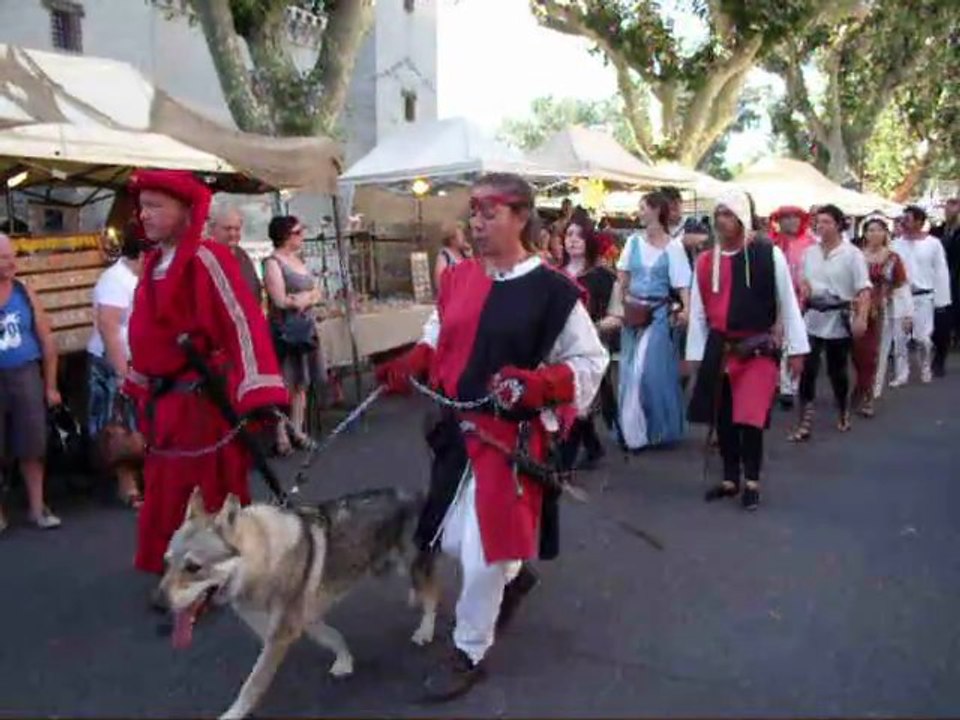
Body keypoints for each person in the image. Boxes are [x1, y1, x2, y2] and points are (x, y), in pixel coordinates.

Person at [374, 173, 608, 701]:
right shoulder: (457, 278)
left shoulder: (553, 291)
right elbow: (442, 327)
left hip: (510, 441)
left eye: (490, 214)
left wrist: (541, 383)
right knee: (454, 539)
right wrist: (419, 356)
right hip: (457, 433)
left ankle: (469, 650)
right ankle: (516, 575)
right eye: (473, 214)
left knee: (483, 552)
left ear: (522, 217)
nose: (477, 224)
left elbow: (592, 360)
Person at [121, 170, 287, 590]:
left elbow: (242, 321)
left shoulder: (207, 257)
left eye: (156, 206)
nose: (146, 215)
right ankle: (179, 570)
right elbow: (146, 331)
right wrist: (140, 382)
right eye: (143, 207)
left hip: (201, 406)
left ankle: (221, 575)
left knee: (209, 496)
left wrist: (259, 389)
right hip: (167, 411)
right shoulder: (155, 263)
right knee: (168, 492)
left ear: (183, 211)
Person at [686, 192, 808, 511]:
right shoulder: (704, 261)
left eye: (728, 214)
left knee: (750, 417)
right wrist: (695, 356)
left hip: (756, 347)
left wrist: (797, 349)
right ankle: (730, 479)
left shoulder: (768, 254)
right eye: (719, 214)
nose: (722, 220)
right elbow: (699, 313)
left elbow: (788, 303)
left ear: (741, 217)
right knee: (723, 416)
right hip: (720, 347)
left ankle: (751, 481)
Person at [613, 191, 690, 451]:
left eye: (643, 207)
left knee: (646, 371)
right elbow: (621, 278)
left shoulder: (674, 246)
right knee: (630, 370)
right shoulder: (632, 242)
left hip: (658, 316)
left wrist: (687, 310)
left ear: (657, 210)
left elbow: (682, 284)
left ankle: (649, 428)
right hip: (633, 313)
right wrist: (618, 308)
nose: (640, 212)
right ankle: (634, 431)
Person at [789, 204, 871, 441]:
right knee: (807, 369)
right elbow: (803, 282)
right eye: (818, 221)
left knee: (837, 370)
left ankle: (843, 409)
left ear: (837, 224)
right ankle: (804, 419)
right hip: (813, 315)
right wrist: (803, 290)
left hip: (839, 316)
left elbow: (863, 289)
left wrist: (862, 318)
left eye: (826, 222)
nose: (821, 226)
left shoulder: (852, 254)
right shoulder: (809, 253)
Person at [0, 233, 62, 533]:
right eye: (2, 258)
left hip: (24, 373)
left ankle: (38, 508)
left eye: (11, 256)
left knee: (32, 445)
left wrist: (50, 386)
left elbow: (47, 340)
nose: (10, 263)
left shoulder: (24, 293)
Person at [87, 226, 146, 507]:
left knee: (142, 425)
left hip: (142, 360)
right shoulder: (115, 280)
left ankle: (145, 478)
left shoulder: (144, 277)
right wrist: (123, 372)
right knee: (119, 426)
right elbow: (108, 328)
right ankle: (127, 484)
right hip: (114, 361)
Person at [558, 210, 616, 470]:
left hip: (589, 349)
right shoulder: (554, 274)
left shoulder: (603, 277)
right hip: (558, 350)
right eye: (569, 234)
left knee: (580, 404)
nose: (572, 240)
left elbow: (617, 316)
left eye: (579, 236)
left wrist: (591, 328)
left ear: (589, 241)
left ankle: (563, 465)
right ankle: (593, 446)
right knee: (568, 401)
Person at [263, 216, 324, 456]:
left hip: (305, 327)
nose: (302, 236)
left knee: (302, 382)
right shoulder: (273, 263)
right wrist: (300, 300)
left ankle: (297, 430)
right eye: (298, 232)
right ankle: (281, 434)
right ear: (286, 235)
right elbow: (279, 300)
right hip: (286, 331)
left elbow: (315, 291)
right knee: (285, 383)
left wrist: (306, 299)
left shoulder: (298, 260)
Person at [852, 217, 912, 413]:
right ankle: (859, 387)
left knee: (875, 353)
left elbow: (902, 287)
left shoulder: (893, 258)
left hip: (880, 310)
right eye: (869, 230)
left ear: (885, 233)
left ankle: (869, 394)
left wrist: (907, 314)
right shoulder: (856, 256)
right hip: (855, 309)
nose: (874, 234)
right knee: (856, 353)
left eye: (878, 230)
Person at [891, 205, 952, 384]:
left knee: (923, 338)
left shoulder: (933, 243)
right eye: (903, 219)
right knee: (900, 339)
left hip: (924, 296)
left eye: (908, 219)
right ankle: (901, 374)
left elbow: (941, 271)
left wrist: (942, 301)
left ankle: (925, 366)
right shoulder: (896, 244)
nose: (904, 222)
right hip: (902, 296)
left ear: (919, 221)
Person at [769, 205, 817, 409]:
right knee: (775, 342)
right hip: (772, 299)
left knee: (795, 341)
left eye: (794, 217)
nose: (790, 221)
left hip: (801, 299)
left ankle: (790, 386)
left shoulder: (811, 244)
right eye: (785, 218)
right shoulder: (771, 243)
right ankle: (778, 383)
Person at [930, 197, 960, 366]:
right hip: (940, 282)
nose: (949, 210)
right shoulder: (937, 232)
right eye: (948, 207)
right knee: (941, 323)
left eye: (954, 206)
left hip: (956, 282)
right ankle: (939, 357)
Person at [210, 206, 262, 303]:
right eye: (227, 229)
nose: (232, 234)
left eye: (237, 229)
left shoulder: (242, 255)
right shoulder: (206, 257)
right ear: (212, 229)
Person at [433, 220, 471, 291]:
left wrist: (470, 255)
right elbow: (439, 280)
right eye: (461, 236)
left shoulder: (464, 254)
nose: (464, 238)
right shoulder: (444, 255)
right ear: (452, 239)